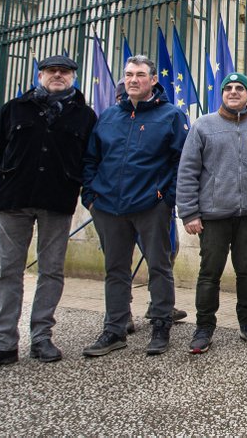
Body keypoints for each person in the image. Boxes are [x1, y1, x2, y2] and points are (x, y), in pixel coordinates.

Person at [0, 56, 97, 376]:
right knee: (8, 270)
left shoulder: (85, 116)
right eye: (52, 71)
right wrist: (7, 180)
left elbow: (88, 158)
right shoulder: (14, 109)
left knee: (51, 270)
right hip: (15, 199)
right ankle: (4, 342)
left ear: (73, 77)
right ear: (40, 75)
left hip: (57, 200)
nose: (58, 75)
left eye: (64, 72)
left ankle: (42, 337)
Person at [80, 54, 188, 357]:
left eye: (140, 75)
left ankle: (161, 324)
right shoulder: (108, 116)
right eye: (129, 75)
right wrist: (90, 197)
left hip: (150, 206)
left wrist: (166, 199)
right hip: (108, 207)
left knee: (159, 266)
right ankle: (114, 330)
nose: (133, 80)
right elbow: (91, 158)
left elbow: (182, 162)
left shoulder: (170, 116)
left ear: (153, 80)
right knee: (115, 269)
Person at [176, 72, 247, 353]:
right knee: (210, 273)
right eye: (228, 88)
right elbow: (187, 171)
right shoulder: (203, 126)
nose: (233, 92)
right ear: (222, 93)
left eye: (240, 88)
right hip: (213, 216)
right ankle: (204, 327)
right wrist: (189, 213)